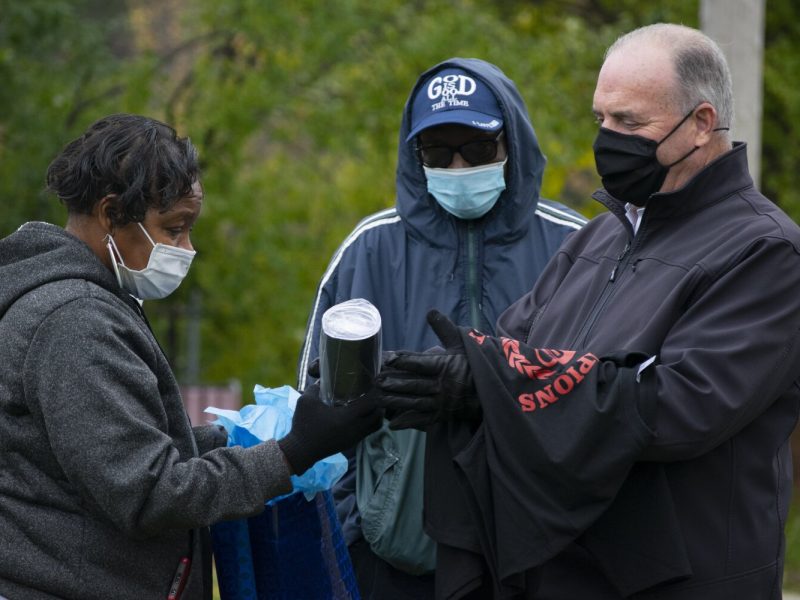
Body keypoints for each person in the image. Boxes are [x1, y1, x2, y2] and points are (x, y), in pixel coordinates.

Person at [375, 24, 800, 600]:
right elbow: (510, 353)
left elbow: (679, 407)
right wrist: (406, 380)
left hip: (687, 580)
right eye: (601, 120)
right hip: (566, 574)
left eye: (629, 122)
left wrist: (489, 387)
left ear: (701, 124)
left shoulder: (767, 251)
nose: (608, 138)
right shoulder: (595, 239)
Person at [0, 113, 382, 600]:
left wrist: (234, 436)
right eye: (175, 229)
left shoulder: (85, 302)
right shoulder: (75, 321)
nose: (187, 248)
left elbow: (114, 450)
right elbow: (148, 494)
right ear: (112, 213)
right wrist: (293, 452)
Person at [297, 58, 586, 598]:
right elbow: (316, 411)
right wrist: (354, 536)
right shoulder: (369, 249)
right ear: (415, 156)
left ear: (511, 145)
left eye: (477, 150)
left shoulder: (576, 248)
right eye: (437, 152)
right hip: (400, 559)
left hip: (546, 557)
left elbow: (608, 395)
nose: (458, 167)